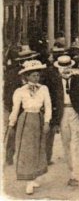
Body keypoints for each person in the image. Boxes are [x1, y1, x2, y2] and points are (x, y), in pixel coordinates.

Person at [9, 60, 52, 195]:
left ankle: (34, 177)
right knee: (27, 150)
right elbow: (15, 109)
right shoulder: (20, 91)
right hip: (26, 120)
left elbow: (48, 106)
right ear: (26, 76)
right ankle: (28, 181)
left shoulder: (44, 89)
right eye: (33, 75)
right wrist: (11, 124)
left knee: (38, 148)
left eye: (37, 75)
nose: (36, 78)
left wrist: (46, 122)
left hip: (38, 119)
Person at [56, 55, 79, 187]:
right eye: (63, 67)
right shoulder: (55, 81)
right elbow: (54, 101)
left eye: (68, 67)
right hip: (62, 114)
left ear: (71, 66)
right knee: (65, 144)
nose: (65, 70)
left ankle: (75, 175)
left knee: (75, 144)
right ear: (58, 68)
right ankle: (71, 170)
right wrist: (55, 122)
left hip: (76, 113)